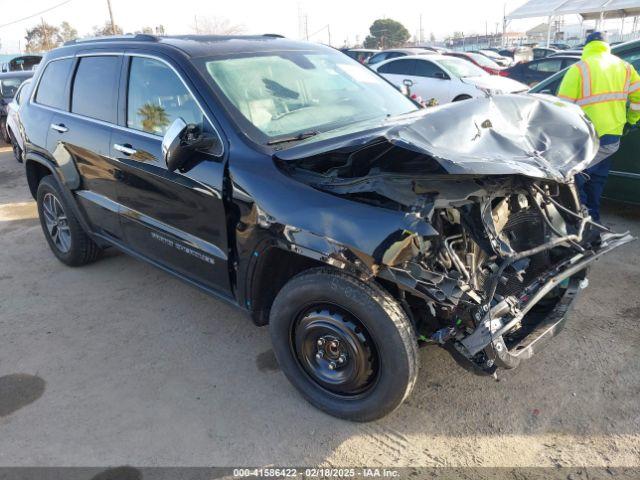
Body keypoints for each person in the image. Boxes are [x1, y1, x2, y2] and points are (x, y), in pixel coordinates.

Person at [558, 31, 640, 222]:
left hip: (584, 138)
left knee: (573, 180)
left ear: (587, 46)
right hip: (612, 137)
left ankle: (583, 225)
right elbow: (637, 97)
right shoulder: (626, 68)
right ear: (607, 46)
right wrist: (632, 119)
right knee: (596, 181)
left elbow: (562, 106)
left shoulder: (579, 69)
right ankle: (592, 221)